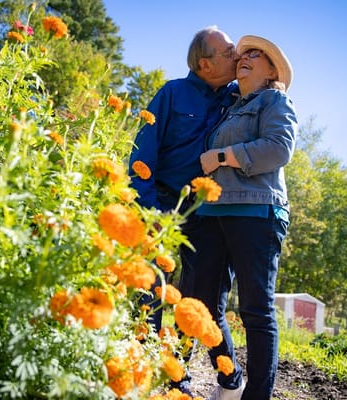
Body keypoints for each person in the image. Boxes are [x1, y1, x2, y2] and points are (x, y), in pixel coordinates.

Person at [127, 26, 238, 395]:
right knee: (151, 289)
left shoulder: (236, 97)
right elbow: (142, 154)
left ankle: (178, 376)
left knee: (195, 297)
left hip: (205, 212)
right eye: (228, 51)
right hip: (159, 202)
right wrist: (151, 208)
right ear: (205, 64)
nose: (236, 54)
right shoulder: (171, 94)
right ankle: (143, 371)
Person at [197, 35, 297, 400]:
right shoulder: (230, 108)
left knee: (255, 309)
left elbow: (278, 148)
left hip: (256, 212)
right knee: (204, 302)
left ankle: (257, 396)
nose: (244, 57)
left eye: (256, 54)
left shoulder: (275, 100)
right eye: (243, 54)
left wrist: (222, 156)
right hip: (214, 212)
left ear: (272, 71)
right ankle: (231, 379)